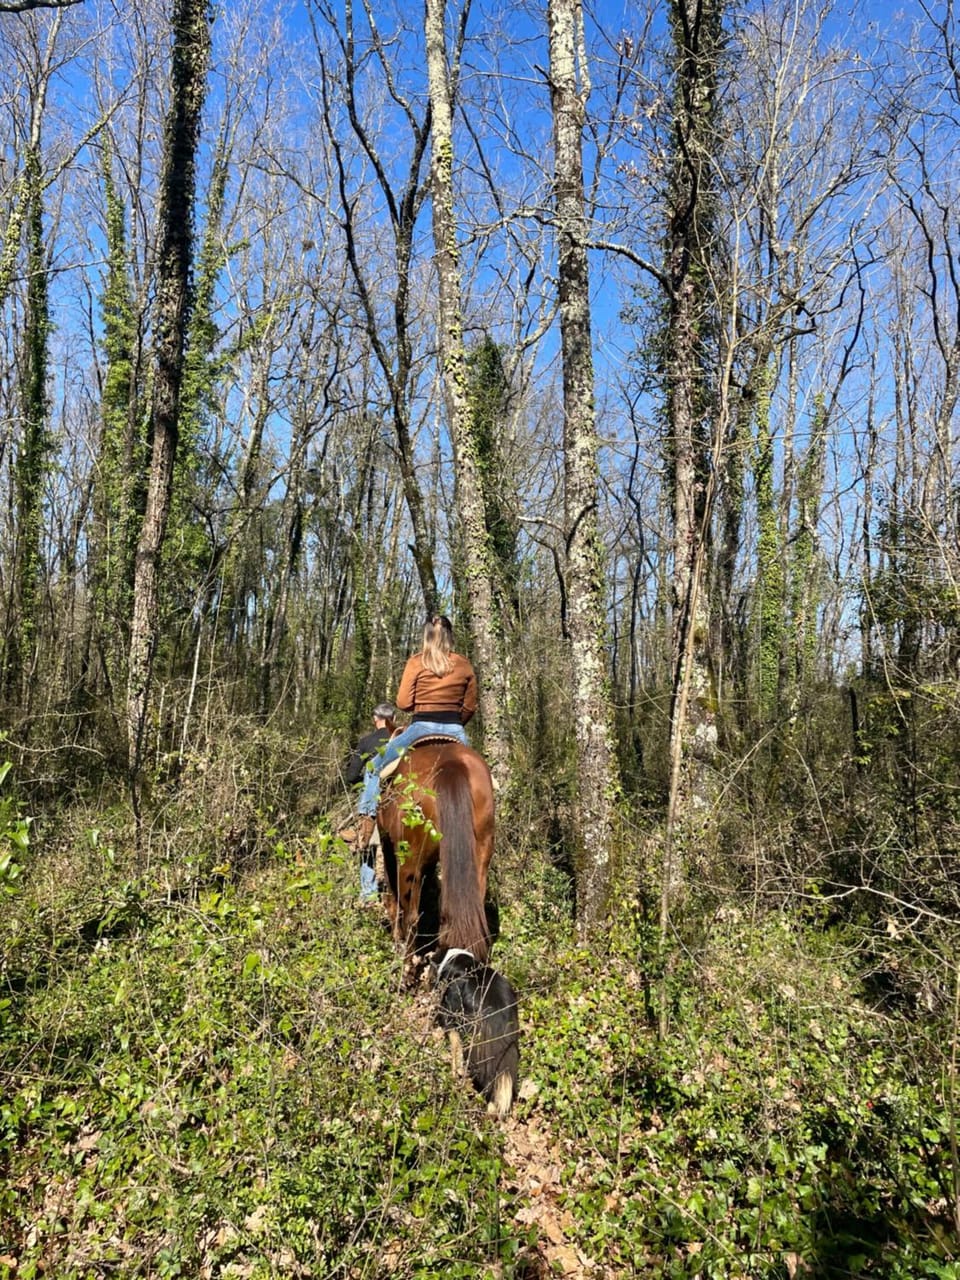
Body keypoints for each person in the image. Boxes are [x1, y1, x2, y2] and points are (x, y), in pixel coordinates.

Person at [355, 615, 477, 849]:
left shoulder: (416, 662)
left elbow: (402, 702)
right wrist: (454, 721)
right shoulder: (464, 664)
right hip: (455, 729)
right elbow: (470, 706)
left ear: (427, 635)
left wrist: (422, 706)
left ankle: (365, 827)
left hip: (421, 728)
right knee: (483, 779)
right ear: (450, 636)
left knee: (373, 768)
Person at [345, 703, 397, 900]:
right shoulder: (400, 742)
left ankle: (368, 893)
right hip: (396, 796)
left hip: (372, 801)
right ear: (393, 719)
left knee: (366, 845)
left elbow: (351, 776)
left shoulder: (366, 742)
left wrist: (363, 783)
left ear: (376, 719)